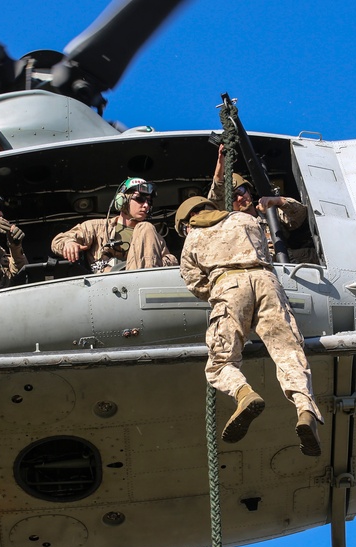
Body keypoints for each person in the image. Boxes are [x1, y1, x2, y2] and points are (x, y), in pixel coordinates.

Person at [177, 196, 323, 457]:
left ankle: (245, 395)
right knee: (289, 353)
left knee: (221, 363)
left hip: (228, 285)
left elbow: (196, 285)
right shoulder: (245, 219)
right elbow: (268, 251)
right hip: (267, 281)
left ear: (188, 222)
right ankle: (304, 410)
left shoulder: (192, 239)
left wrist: (221, 288)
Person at [207, 145, 319, 264]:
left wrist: (278, 201)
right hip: (252, 266)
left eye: (241, 192)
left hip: (283, 263)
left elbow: (300, 214)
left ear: (249, 191)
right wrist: (220, 165)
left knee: (312, 255)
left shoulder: (269, 213)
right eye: (233, 197)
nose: (240, 198)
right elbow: (215, 199)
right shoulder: (230, 224)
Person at [50, 177, 177, 273]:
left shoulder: (153, 236)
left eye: (149, 202)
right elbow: (59, 240)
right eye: (140, 199)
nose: (146, 205)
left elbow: (171, 263)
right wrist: (69, 244)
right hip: (108, 286)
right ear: (123, 200)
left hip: (142, 286)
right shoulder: (97, 227)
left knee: (147, 227)